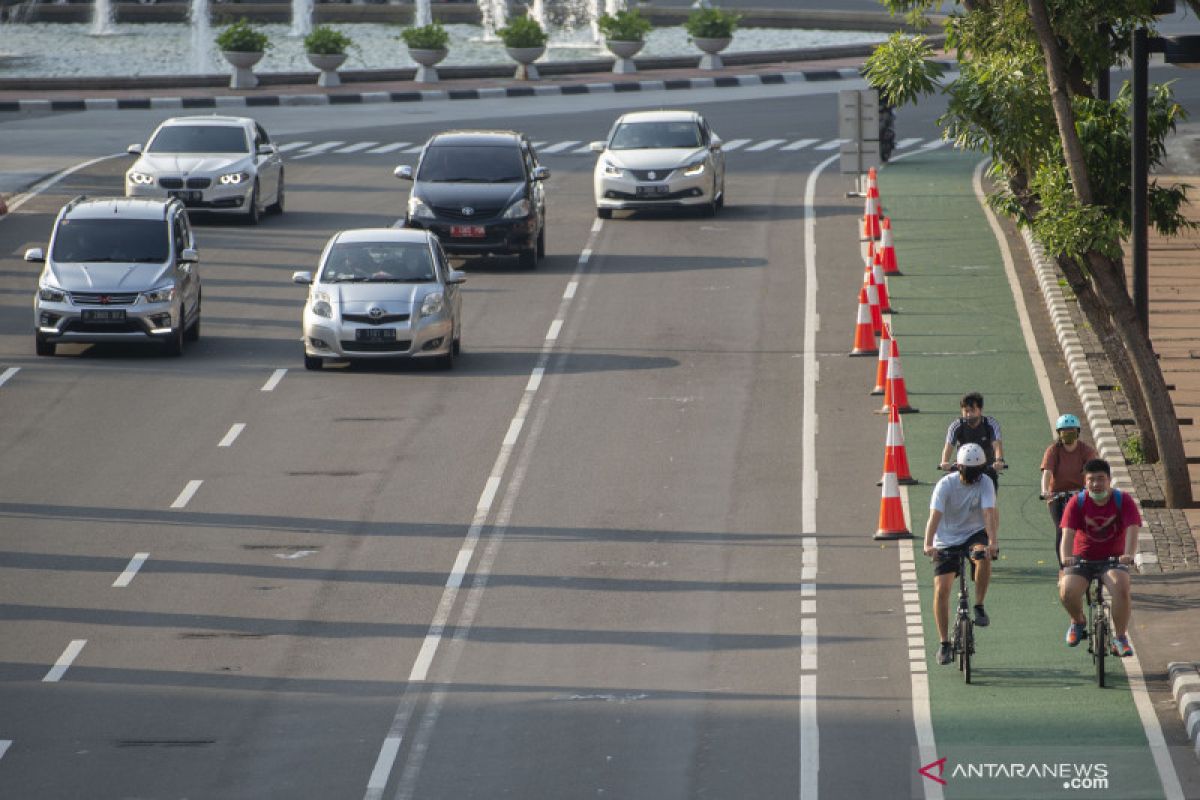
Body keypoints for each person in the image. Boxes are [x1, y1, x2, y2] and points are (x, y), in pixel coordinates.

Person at [923, 443, 1000, 666]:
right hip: (946, 538)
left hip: (974, 533)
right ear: (958, 467)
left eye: (977, 472)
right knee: (942, 588)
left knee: (983, 556)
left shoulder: (985, 482)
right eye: (969, 472)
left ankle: (978, 605)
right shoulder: (945, 485)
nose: (973, 477)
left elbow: (988, 513)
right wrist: (928, 544)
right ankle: (944, 643)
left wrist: (993, 542)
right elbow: (934, 516)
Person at [1059, 458, 1142, 657]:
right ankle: (1078, 621)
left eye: (1101, 479)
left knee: (1121, 587)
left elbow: (1132, 529)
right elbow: (1067, 534)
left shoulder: (1123, 500)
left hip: (1113, 560)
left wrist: (1128, 554)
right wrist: (1066, 557)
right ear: (1085, 482)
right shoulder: (1077, 502)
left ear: (1109, 480)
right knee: (1067, 592)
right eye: (1091, 480)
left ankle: (1120, 638)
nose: (1096, 484)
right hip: (1082, 559)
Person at [1040, 413, 1097, 569]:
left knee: (1088, 527)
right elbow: (1047, 473)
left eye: (1071, 430)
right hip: (1057, 495)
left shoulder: (1086, 450)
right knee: (1061, 529)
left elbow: (1094, 472)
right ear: (1059, 433)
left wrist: (1091, 488)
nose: (1068, 434)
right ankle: (1063, 568)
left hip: (1081, 494)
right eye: (1064, 431)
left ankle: (1090, 560)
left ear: (1078, 432)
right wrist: (1045, 491)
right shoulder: (1053, 451)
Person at [940, 392, 1005, 489]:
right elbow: (949, 446)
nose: (969, 414)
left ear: (981, 410)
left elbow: (997, 445)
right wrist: (944, 462)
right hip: (963, 467)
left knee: (991, 489)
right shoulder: (956, 425)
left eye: (972, 410)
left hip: (985, 468)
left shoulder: (990, 424)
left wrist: (999, 460)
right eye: (966, 411)